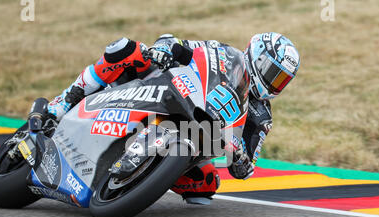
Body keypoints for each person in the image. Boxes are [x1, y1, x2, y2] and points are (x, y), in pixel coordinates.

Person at [45, 33, 300, 205]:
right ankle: (63, 102)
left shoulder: (262, 117)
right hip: (170, 94)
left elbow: (245, 170)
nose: (274, 83)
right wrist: (163, 50)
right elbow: (177, 43)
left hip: (199, 140)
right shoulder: (222, 53)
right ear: (257, 57)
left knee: (207, 183)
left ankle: (142, 181)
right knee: (125, 50)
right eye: (273, 73)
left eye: (282, 80)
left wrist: (240, 154)